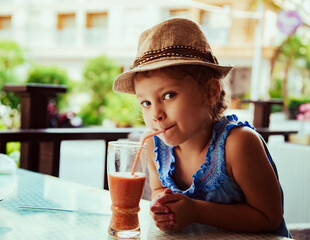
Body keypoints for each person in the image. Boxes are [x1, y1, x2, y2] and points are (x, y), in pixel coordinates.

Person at [113, 18, 291, 238]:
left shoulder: (239, 144)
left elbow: (269, 217)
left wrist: (196, 211)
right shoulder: (152, 143)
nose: (155, 114)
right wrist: (162, 206)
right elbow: (158, 190)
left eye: (169, 95)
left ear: (211, 92)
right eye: (146, 103)